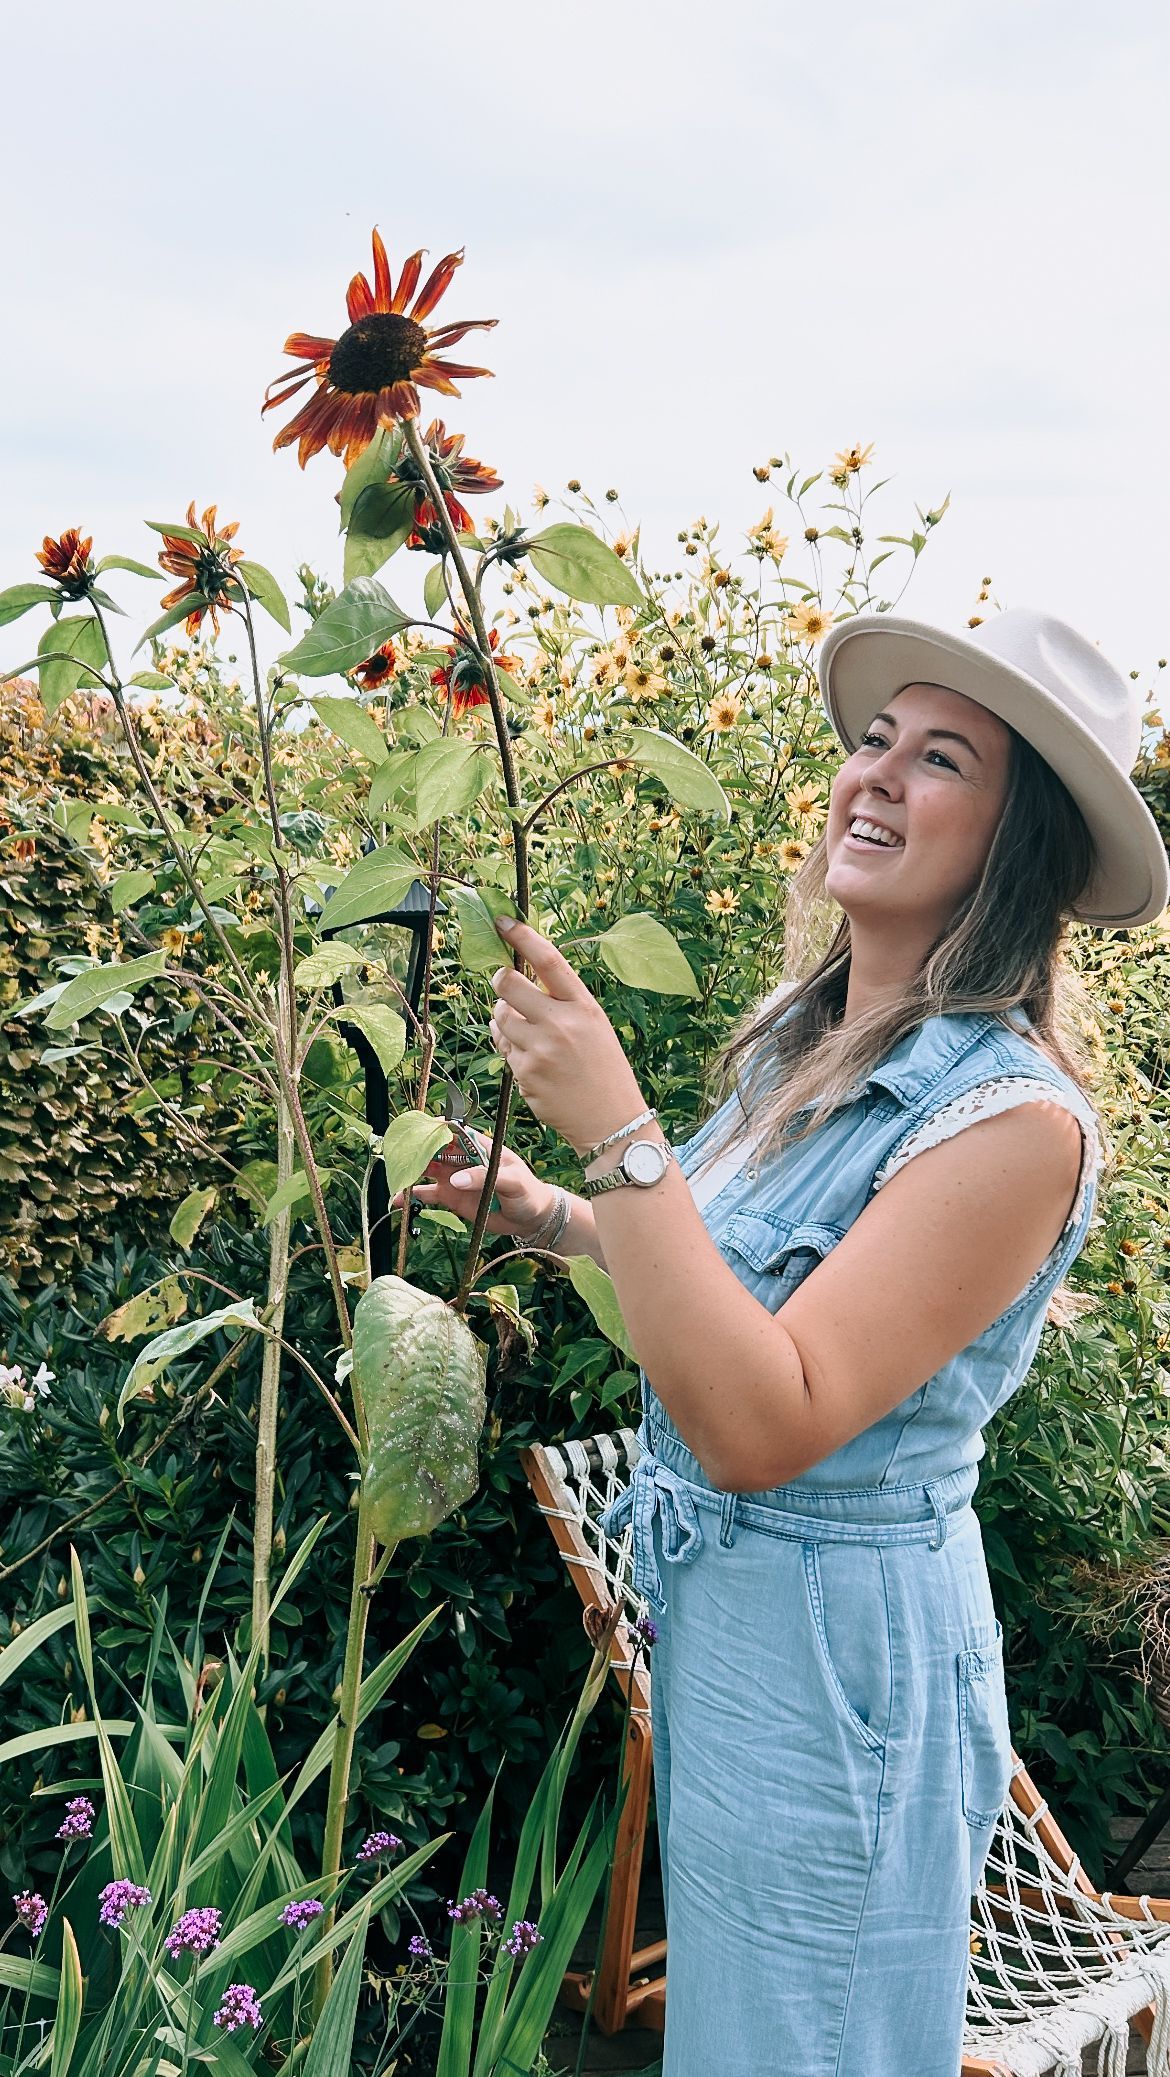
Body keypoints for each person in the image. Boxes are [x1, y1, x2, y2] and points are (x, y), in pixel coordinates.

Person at [394, 606, 1169, 2075]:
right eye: (873, 737)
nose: (872, 774)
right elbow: (725, 1297)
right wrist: (559, 1211)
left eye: (940, 757)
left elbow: (767, 1418)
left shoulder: (1008, 1122)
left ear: (1027, 851)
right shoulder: (797, 1043)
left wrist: (616, 1130)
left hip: (837, 1660)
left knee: (808, 2048)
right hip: (734, 1630)